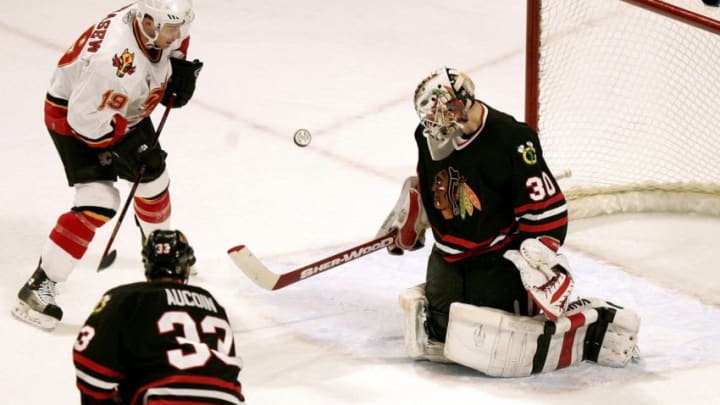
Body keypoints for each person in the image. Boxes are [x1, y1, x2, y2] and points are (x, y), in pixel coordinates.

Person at [379, 67, 640, 376]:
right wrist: (416, 215)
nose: (431, 126)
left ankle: (593, 323)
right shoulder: (428, 138)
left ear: (458, 104)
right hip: (449, 257)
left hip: (496, 258)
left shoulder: (513, 140)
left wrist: (540, 256)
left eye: (438, 114)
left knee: (505, 350)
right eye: (428, 118)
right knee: (437, 340)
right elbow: (431, 182)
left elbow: (547, 210)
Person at [12, 0, 204, 330]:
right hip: (78, 117)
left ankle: (162, 255)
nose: (179, 35)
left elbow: (170, 48)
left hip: (120, 106)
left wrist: (176, 71)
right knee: (99, 201)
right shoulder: (113, 63)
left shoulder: (154, 22)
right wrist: (123, 144)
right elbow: (84, 120)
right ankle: (39, 288)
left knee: (154, 179)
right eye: (171, 30)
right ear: (147, 24)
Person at [73, 229, 246, 404]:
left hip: (162, 397)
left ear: (147, 263)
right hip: (226, 399)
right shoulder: (213, 304)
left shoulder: (127, 297)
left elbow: (90, 365)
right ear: (186, 264)